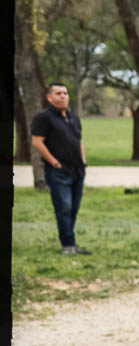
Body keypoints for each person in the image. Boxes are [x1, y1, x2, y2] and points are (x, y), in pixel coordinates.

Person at [30, 82, 91, 255]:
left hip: (77, 170)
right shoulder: (44, 117)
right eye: (58, 93)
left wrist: (83, 160)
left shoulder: (73, 118)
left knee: (73, 208)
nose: (63, 96)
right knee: (63, 207)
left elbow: (78, 141)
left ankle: (71, 243)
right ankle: (68, 245)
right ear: (49, 97)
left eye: (65, 93)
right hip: (58, 171)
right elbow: (37, 141)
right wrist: (53, 162)